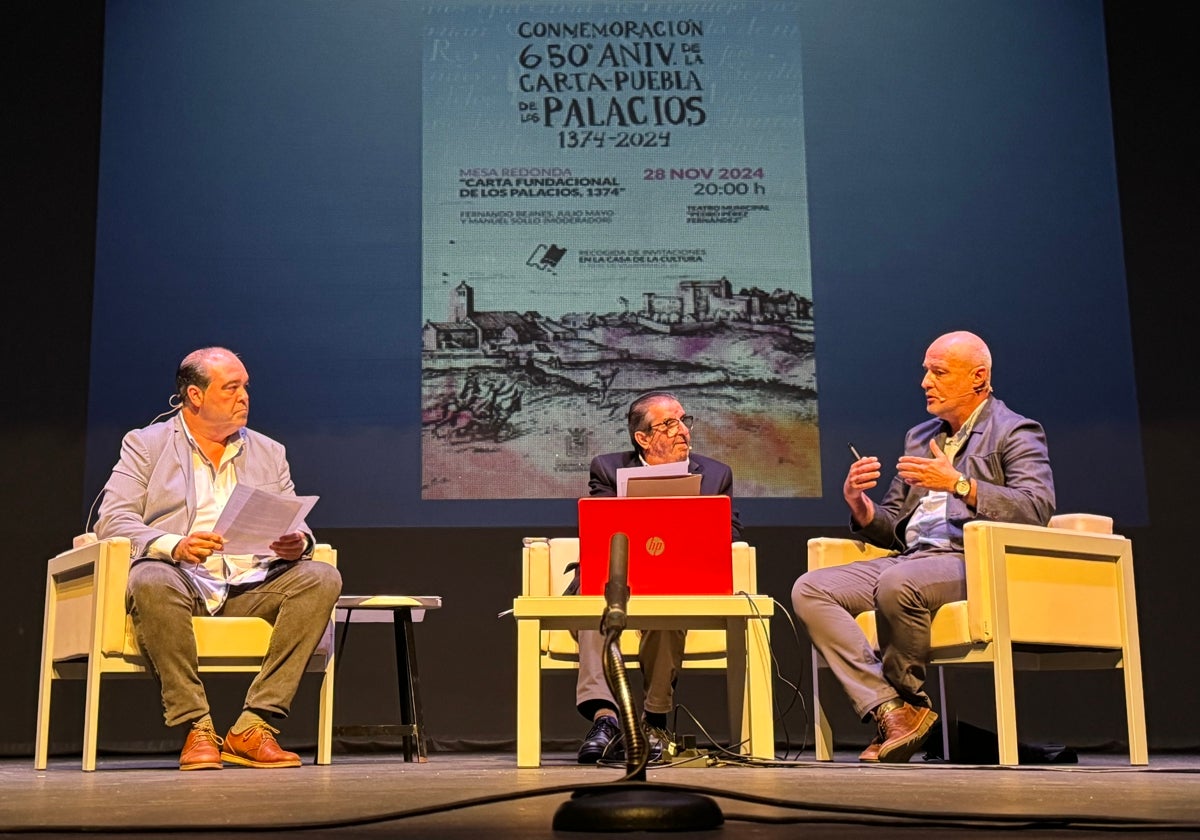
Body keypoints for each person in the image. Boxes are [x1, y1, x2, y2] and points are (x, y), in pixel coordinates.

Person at [791, 331, 1055, 763]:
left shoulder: (1015, 431)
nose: (925, 382)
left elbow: (1037, 507)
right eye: (925, 372)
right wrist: (860, 506)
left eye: (938, 372)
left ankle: (906, 705)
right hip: (913, 558)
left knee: (899, 581)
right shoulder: (920, 436)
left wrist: (960, 484)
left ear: (978, 377)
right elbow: (893, 525)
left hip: (972, 559)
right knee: (811, 588)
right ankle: (893, 709)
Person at [95, 347, 342, 771]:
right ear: (195, 395)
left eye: (245, 387)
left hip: (250, 582)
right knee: (150, 578)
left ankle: (254, 725)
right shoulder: (147, 445)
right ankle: (197, 726)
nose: (244, 396)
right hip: (181, 579)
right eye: (231, 388)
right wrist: (175, 544)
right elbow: (112, 520)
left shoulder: (269, 451)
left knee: (321, 577)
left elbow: (294, 520)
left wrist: (296, 543)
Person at [573, 390, 743, 764]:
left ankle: (654, 718)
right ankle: (606, 719)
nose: (682, 430)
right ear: (643, 438)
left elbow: (728, 533)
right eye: (668, 424)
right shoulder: (607, 468)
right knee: (594, 606)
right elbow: (599, 530)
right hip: (617, 578)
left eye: (684, 420)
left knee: (669, 611)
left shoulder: (715, 475)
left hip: (678, 579)